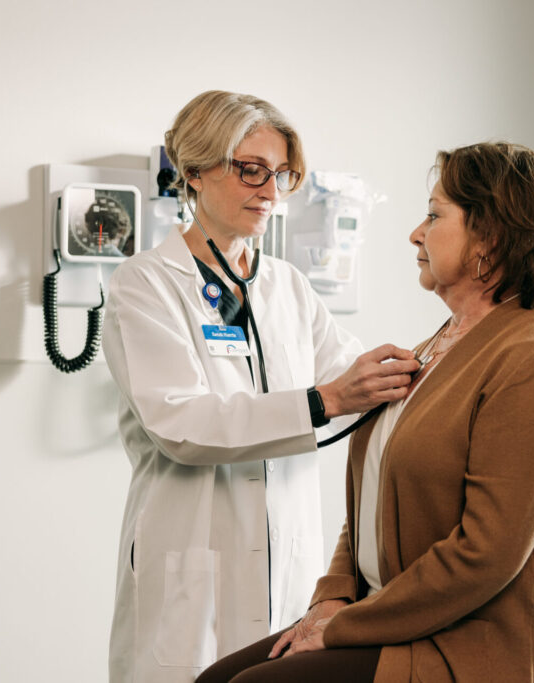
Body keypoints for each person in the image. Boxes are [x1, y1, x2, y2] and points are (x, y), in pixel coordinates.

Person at [197, 141, 534, 683]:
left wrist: (346, 626)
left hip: (478, 643)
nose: (416, 232)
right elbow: (370, 501)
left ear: (491, 237)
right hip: (394, 618)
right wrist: (333, 598)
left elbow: (484, 555)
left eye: (435, 214)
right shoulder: (435, 347)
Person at [101, 90, 419, 683]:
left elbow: (357, 379)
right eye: (250, 170)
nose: (270, 192)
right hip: (191, 574)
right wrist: (324, 401)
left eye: (282, 174)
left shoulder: (288, 287)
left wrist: (427, 369)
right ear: (194, 171)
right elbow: (182, 426)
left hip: (289, 570)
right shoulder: (144, 285)